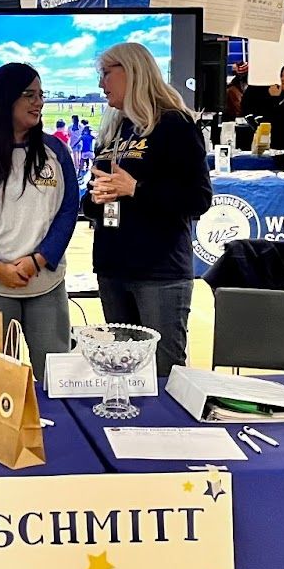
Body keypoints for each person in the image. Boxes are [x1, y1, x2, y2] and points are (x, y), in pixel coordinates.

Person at [82, 42, 211, 379]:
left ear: (132, 71)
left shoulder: (175, 125)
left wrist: (135, 189)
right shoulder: (114, 129)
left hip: (159, 272)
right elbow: (92, 203)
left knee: (163, 374)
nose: (101, 84)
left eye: (106, 74)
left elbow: (198, 200)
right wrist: (96, 199)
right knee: (123, 373)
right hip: (112, 268)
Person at [0, 64, 79, 379]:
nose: (39, 102)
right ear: (6, 98)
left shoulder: (55, 151)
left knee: (53, 380)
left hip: (45, 284)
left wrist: (38, 260)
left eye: (41, 95)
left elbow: (68, 210)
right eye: (29, 95)